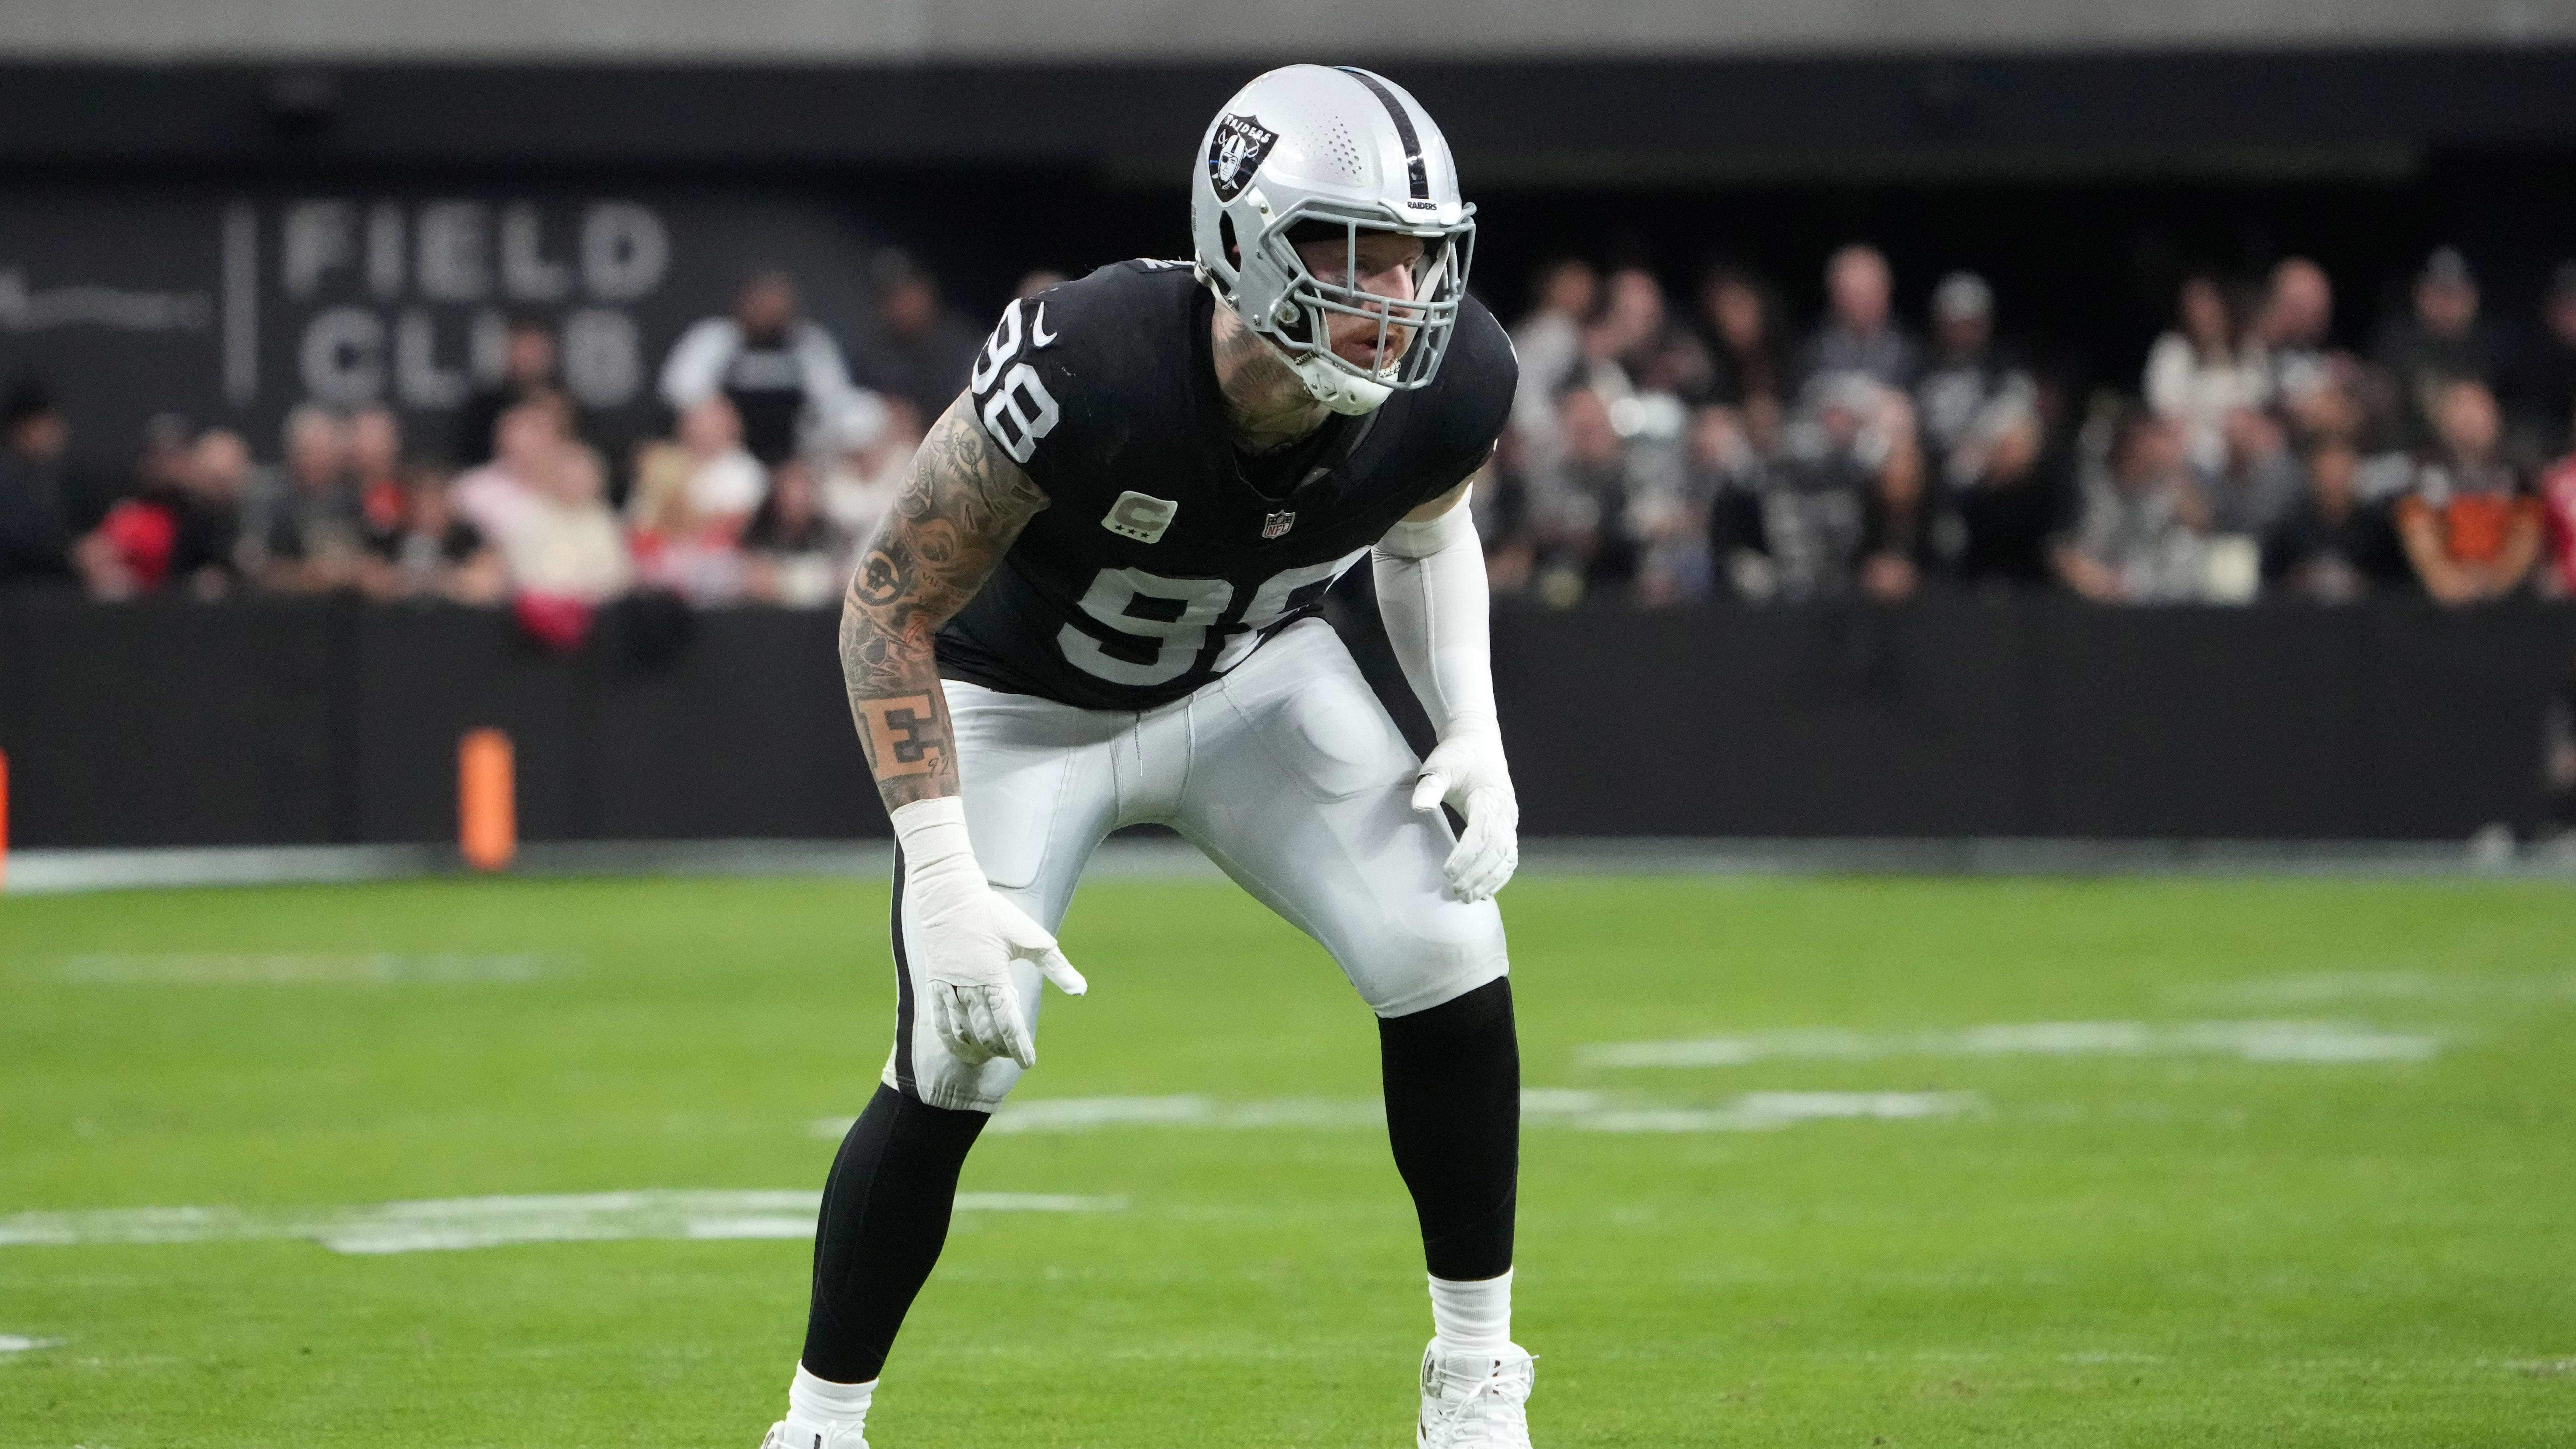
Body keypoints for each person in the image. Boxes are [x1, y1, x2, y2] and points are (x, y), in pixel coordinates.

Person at [762, 66, 1532, 1449]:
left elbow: (1425, 531)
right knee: (959, 1054)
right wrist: (940, 872)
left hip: (1250, 679)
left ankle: (1475, 1381)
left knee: (1446, 950)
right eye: (1356, 256)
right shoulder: (1090, 360)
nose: (1399, 297)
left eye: (1419, 258)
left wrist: (1468, 724)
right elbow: (887, 599)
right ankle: (820, 1425)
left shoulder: (1453, 375)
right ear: (1243, 242)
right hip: (1020, 706)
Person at [661, 270, 885, 467]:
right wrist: (717, 411)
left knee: (866, 418)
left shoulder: (808, 343)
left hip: (798, 457)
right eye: (763, 302)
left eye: (778, 303)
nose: (770, 310)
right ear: (744, 302)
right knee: (704, 423)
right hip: (731, 456)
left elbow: (834, 400)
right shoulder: (718, 337)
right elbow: (679, 388)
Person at [2393, 378, 2541, 606]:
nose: (2469, 419)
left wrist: (2495, 582)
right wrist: (2447, 580)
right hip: (2437, 607)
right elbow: (2419, 536)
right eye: (2460, 407)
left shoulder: (2520, 476)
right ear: (2443, 419)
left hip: (2511, 605)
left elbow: (2526, 539)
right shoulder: (2421, 474)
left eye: (2477, 407)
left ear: (2495, 417)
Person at [2374, 248, 2514, 447]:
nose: (2446, 303)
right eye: (2438, 293)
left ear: (2473, 298)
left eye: (2455, 294)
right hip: (2416, 454)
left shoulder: (2496, 348)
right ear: (2419, 295)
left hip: (2489, 457)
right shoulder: (2395, 346)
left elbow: (2519, 413)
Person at [2145, 274, 2267, 476]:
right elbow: (2168, 414)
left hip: (2240, 455)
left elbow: (2255, 409)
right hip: (2189, 455)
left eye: (2209, 302)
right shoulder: (2171, 351)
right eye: (2195, 305)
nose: (2203, 312)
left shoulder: (2249, 349)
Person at [239, 403, 366, 593]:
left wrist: (353, 572)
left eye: (325, 453)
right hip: (280, 609)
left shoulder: (352, 497)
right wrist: (305, 574)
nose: (317, 461)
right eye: (308, 452)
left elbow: (374, 558)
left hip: (347, 611)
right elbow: (250, 562)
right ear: (292, 453)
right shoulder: (268, 496)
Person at [2262, 436, 2403, 603]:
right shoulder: (2289, 526)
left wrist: (2363, 585)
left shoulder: (2380, 526)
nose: (2334, 478)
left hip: (2367, 620)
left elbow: (2399, 584)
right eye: (2327, 469)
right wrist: (2298, 581)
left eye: (2341, 468)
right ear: (2313, 472)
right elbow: (2269, 583)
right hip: (2302, 619)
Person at [851, 250, 985, 419]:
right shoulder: (871, 360)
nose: (904, 304)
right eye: (893, 297)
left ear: (927, 291)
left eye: (909, 291)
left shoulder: (961, 343)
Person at [454, 313, 588, 468]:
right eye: (521, 347)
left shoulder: (568, 405)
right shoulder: (484, 406)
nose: (527, 357)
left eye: (534, 349)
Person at [1798, 243, 1919, 392]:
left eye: (1870, 293)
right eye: (1853, 294)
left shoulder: (1914, 354)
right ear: (1833, 297)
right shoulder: (1808, 352)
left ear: (1887, 293)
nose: (1862, 304)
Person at [0, 378, 79, 588]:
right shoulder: (9, 480)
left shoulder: (47, 477)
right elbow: (17, 539)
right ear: (24, 429)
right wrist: (69, 554)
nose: (58, 433)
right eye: (48, 425)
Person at [2502, 261, 2576, 464]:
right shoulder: (2529, 363)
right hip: (2548, 465)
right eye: (2567, 307)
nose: (2572, 317)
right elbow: (2521, 429)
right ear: (2550, 311)